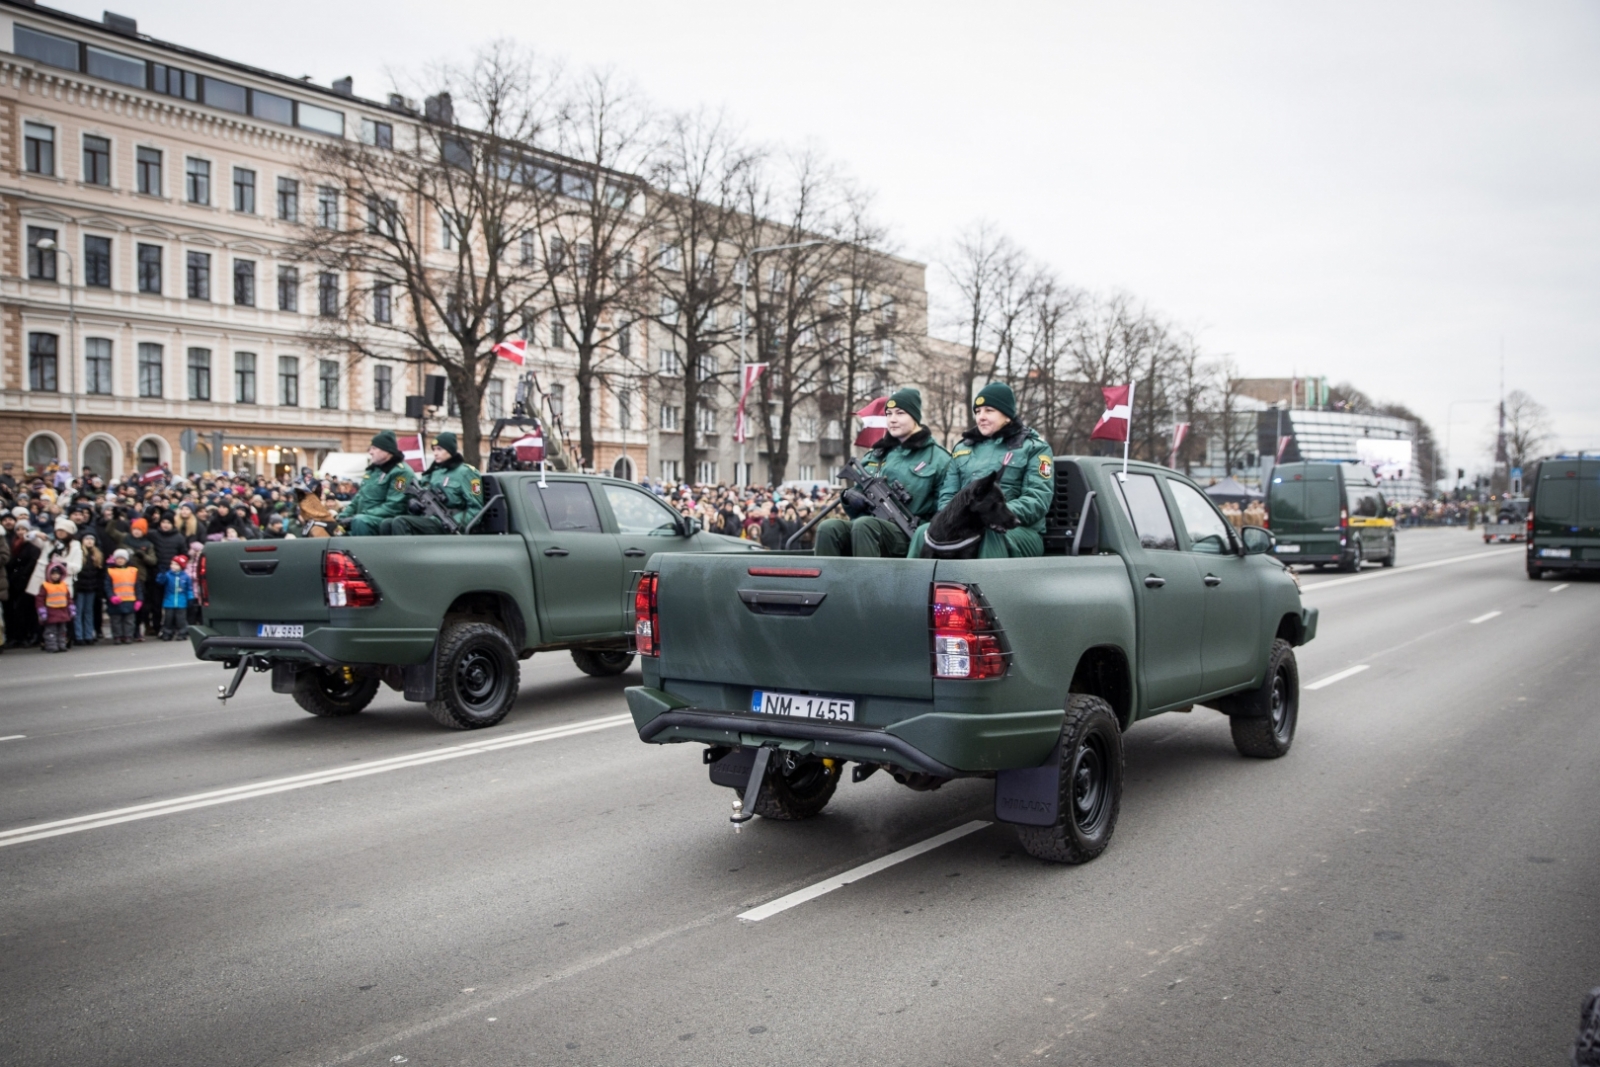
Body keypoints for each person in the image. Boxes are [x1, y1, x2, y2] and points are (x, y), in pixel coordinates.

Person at [911, 381, 1055, 559]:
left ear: (1007, 415)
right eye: (978, 412)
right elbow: (948, 497)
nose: (981, 417)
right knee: (924, 533)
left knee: (987, 536)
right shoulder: (963, 450)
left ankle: (988, 587)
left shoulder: (1033, 448)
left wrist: (992, 515)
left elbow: (1037, 499)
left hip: (1017, 530)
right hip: (966, 526)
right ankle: (912, 586)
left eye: (989, 410)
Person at [815, 387, 953, 558]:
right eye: (888, 414)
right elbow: (858, 495)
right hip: (868, 529)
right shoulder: (877, 453)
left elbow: (946, 511)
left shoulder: (939, 459)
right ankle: (829, 584)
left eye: (900, 413)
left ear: (915, 416)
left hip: (910, 536)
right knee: (828, 528)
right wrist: (849, 498)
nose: (892, 420)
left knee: (864, 525)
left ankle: (867, 585)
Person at [381, 432, 482, 535]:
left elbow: (476, 509)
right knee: (387, 523)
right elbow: (418, 492)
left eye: (439, 449)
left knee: (401, 522)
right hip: (429, 518)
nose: (435, 453)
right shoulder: (432, 473)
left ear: (450, 450)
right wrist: (414, 503)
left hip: (448, 523)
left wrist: (455, 523)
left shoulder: (466, 472)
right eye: (433, 449)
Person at [338, 431, 411, 536]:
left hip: (384, 521)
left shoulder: (401, 473)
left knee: (360, 521)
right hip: (364, 518)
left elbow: (394, 505)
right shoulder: (372, 471)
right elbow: (359, 498)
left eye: (374, 448)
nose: (370, 452)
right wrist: (343, 516)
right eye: (370, 448)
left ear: (387, 450)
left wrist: (358, 516)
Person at [104, 548, 142, 645]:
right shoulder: (110, 571)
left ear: (126, 559)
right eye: (118, 558)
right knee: (116, 620)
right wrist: (111, 597)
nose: (120, 560)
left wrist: (139, 600)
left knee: (129, 621)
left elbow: (137, 586)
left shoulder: (133, 571)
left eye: (122, 558)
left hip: (130, 600)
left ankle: (128, 636)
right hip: (116, 601)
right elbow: (107, 586)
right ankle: (117, 636)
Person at [35, 560, 74, 652]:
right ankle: (52, 646)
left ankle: (61, 645)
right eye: (53, 574)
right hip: (51, 611)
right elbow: (40, 599)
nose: (55, 576)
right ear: (49, 574)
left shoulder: (63, 585)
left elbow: (68, 598)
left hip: (63, 611)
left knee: (62, 630)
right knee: (51, 631)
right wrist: (42, 611)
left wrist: (71, 608)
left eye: (57, 574)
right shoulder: (45, 586)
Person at [75, 532, 105, 645]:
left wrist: (98, 588)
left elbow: (99, 573)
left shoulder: (97, 554)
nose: (89, 541)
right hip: (80, 588)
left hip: (91, 588)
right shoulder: (79, 553)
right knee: (78, 612)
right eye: (87, 538)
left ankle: (88, 634)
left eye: (92, 539)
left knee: (89, 612)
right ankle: (79, 636)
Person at [156, 554, 194, 640]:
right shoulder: (168, 575)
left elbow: (189, 589)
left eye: (176, 564)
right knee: (168, 619)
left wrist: (190, 598)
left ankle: (182, 633)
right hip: (169, 601)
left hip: (181, 602)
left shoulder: (185, 577)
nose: (173, 566)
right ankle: (167, 633)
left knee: (181, 619)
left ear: (181, 566)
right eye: (172, 564)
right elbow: (160, 582)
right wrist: (161, 574)